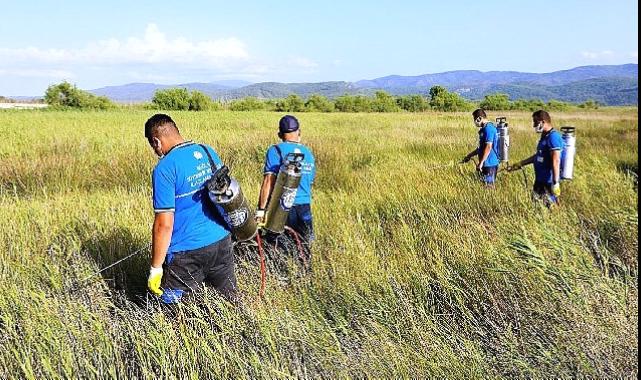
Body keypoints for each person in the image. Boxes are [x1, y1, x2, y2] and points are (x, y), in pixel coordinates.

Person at [144, 113, 236, 303]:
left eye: (154, 147)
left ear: (156, 141)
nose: (156, 152)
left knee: (172, 311)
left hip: (187, 253)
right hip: (222, 242)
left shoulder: (165, 168)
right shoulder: (207, 151)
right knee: (229, 303)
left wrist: (156, 268)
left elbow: (164, 225)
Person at [256, 115, 316, 247]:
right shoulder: (308, 153)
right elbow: (310, 181)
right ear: (298, 132)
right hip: (305, 207)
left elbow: (268, 182)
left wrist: (261, 210)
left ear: (280, 134)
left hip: (282, 208)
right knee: (304, 248)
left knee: (281, 249)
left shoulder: (275, 150)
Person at [508, 110, 563, 206]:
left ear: (543, 121)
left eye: (535, 122)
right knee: (536, 206)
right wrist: (518, 164)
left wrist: (555, 183)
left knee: (549, 208)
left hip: (548, 182)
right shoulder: (544, 136)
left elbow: (556, 161)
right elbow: (537, 156)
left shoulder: (553, 137)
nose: (534, 125)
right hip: (539, 181)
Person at [462, 108, 500, 186]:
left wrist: (481, 162)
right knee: (483, 185)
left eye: (474, 119)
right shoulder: (483, 129)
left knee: (489, 187)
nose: (474, 122)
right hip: (485, 164)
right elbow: (480, 148)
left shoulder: (489, 128)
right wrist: (469, 156)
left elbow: (488, 146)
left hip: (490, 164)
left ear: (479, 118)